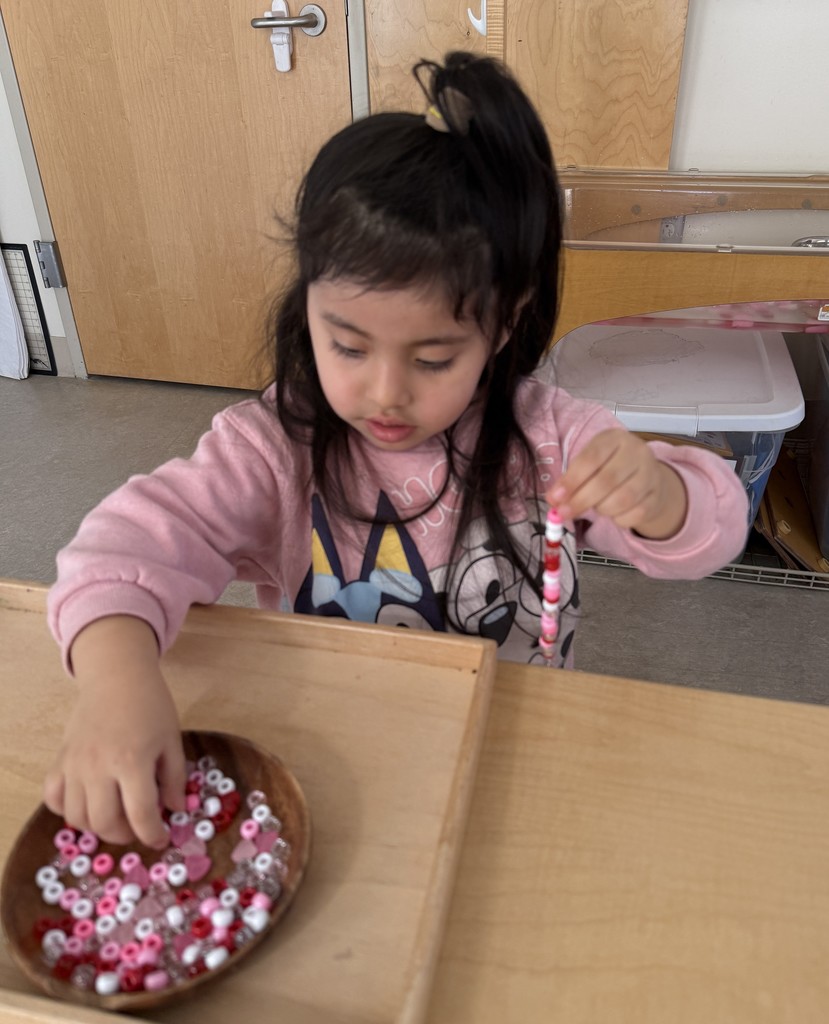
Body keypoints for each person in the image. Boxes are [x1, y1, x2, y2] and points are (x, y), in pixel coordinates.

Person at [44, 52, 749, 848]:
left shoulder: (552, 439)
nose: (385, 393)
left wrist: (662, 496)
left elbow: (704, 540)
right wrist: (116, 685)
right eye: (347, 346)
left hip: (511, 747)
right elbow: (120, 548)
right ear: (308, 306)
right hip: (333, 753)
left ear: (504, 324)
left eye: (433, 359)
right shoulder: (275, 448)